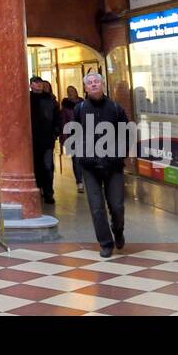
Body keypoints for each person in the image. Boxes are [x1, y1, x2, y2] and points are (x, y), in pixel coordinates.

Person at [71, 71, 129, 258]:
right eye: (90, 83)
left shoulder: (115, 107)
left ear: (103, 85)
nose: (94, 84)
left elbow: (126, 134)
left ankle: (118, 229)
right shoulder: (79, 109)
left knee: (117, 205)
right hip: (89, 166)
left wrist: (120, 155)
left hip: (113, 165)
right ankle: (105, 243)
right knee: (96, 207)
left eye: (97, 82)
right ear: (86, 88)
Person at [28, 76, 61, 205]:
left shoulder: (50, 99)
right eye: (36, 83)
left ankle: (48, 193)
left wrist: (56, 131)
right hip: (31, 139)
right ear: (31, 85)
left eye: (40, 83)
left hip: (47, 139)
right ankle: (37, 189)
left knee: (48, 166)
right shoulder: (27, 99)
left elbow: (57, 117)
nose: (39, 85)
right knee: (34, 166)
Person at [60, 85, 83, 192]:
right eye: (69, 91)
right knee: (77, 159)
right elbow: (64, 122)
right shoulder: (65, 107)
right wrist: (64, 138)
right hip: (73, 135)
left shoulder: (83, 103)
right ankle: (79, 181)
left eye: (73, 90)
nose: (71, 92)